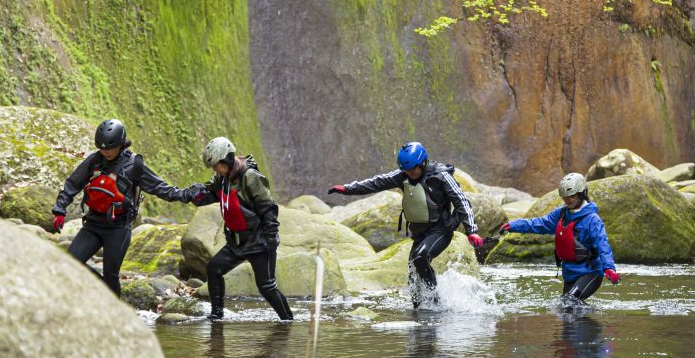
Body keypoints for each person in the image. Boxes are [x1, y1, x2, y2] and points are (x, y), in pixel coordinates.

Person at [51, 119, 205, 297]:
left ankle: (116, 312)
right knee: (70, 263)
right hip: (92, 225)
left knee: (110, 275)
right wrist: (59, 209)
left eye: (109, 148)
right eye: (101, 148)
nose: (105, 152)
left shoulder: (134, 165)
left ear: (120, 144)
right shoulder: (95, 161)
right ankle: (99, 293)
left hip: (118, 229)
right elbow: (72, 183)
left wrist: (186, 194)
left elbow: (160, 188)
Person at [328, 141, 483, 308]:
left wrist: (471, 231)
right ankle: (419, 309)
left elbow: (462, 202)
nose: (410, 173)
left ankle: (436, 303)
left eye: (413, 169)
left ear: (423, 162)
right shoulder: (403, 175)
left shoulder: (441, 176)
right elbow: (376, 183)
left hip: (440, 231)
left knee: (420, 257)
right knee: (413, 275)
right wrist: (347, 189)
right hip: (420, 233)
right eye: (406, 170)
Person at [191, 137, 293, 321]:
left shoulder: (249, 177)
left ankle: (287, 322)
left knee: (267, 287)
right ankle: (216, 316)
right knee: (214, 269)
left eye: (216, 165)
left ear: (227, 159)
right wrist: (192, 195)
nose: (214, 170)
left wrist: (270, 241)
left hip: (259, 242)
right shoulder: (222, 179)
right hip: (236, 242)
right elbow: (209, 194)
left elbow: (268, 209)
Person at [501, 172, 620, 306]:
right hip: (569, 273)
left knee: (569, 302)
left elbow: (602, 244)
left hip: (591, 273)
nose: (568, 201)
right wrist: (513, 225)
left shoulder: (592, 220)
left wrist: (609, 268)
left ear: (582, 193)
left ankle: (595, 322)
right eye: (565, 198)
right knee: (567, 310)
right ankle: (589, 320)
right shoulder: (561, 214)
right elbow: (538, 223)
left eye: (572, 197)